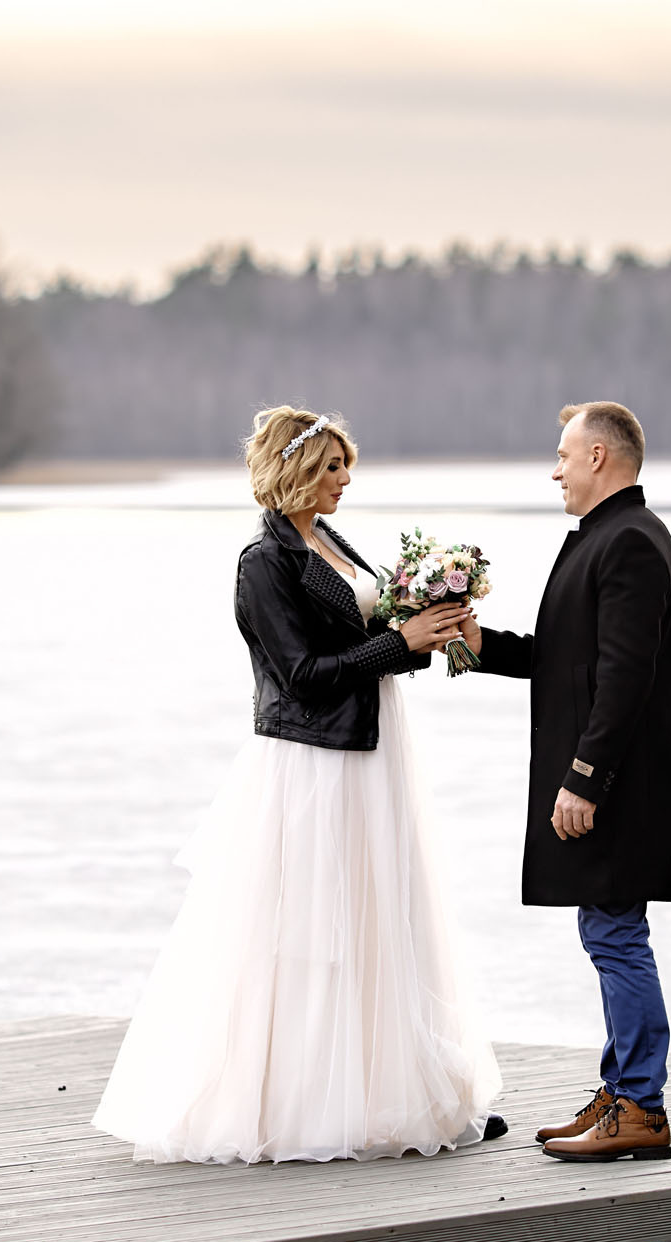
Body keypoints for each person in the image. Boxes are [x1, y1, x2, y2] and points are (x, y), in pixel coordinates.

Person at [93, 406, 505, 1163]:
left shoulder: (329, 538)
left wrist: (428, 628)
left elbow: (366, 642)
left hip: (372, 751)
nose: (346, 480)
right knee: (310, 926)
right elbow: (302, 676)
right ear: (293, 472)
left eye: (348, 465)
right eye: (331, 468)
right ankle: (298, 1103)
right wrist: (397, 641)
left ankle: (398, 1089)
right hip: (313, 761)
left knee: (381, 915)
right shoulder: (265, 562)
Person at [460, 401, 671, 1162]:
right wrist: (476, 643)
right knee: (608, 931)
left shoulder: (632, 545)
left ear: (599, 457)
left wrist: (584, 778)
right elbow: (564, 659)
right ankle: (622, 1089)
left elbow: (624, 677)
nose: (554, 469)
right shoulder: (603, 539)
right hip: (611, 782)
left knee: (617, 934)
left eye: (563, 454)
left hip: (620, 786)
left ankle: (642, 1104)